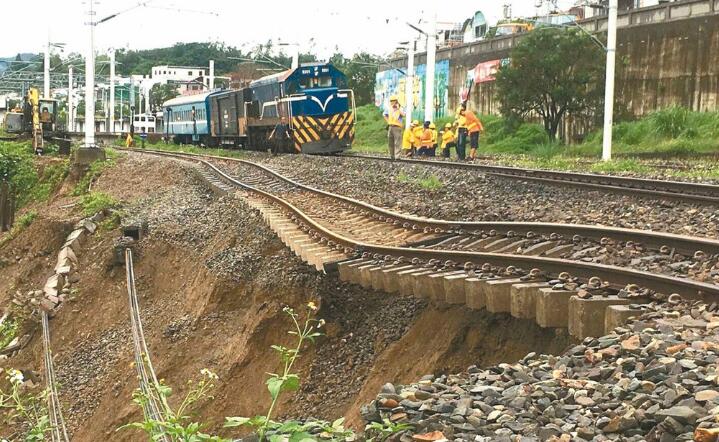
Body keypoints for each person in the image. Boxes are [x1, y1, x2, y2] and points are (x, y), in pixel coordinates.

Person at [383, 95, 405, 160]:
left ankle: (397, 156)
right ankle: (392, 156)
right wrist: (388, 121)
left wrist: (398, 109)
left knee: (397, 142)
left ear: (396, 101)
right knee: (390, 142)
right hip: (390, 126)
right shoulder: (389, 108)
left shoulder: (400, 108)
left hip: (397, 127)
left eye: (393, 101)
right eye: (391, 101)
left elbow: (403, 114)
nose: (392, 102)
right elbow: (384, 114)